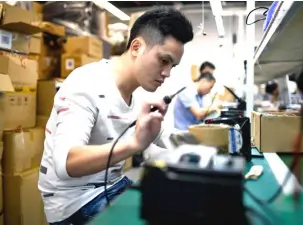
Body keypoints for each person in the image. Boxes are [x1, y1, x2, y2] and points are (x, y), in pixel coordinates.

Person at [38, 6, 193, 225]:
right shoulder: (86, 83)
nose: (167, 73)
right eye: (163, 60)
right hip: (74, 203)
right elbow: (65, 165)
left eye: (172, 65)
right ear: (137, 47)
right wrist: (134, 144)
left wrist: (207, 141)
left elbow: (161, 134)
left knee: (183, 205)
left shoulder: (137, 94)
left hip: (113, 185)